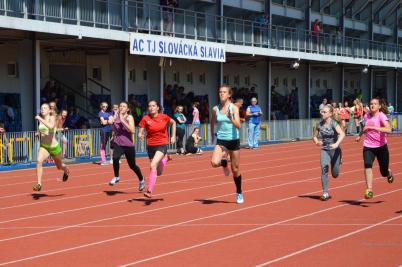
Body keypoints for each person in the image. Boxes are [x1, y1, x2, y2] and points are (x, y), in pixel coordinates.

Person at [210, 85, 244, 204]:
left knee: (235, 169)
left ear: (229, 94)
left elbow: (239, 126)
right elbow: (212, 121)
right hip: (221, 140)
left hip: (233, 140)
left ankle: (239, 191)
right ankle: (224, 162)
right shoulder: (215, 109)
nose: (221, 94)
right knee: (214, 163)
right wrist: (212, 134)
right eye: (220, 92)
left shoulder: (234, 108)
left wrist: (231, 118)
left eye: (224, 92)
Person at [355, 98, 394, 199]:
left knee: (383, 172)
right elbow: (365, 127)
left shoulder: (381, 116)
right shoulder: (366, 115)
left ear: (379, 106)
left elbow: (389, 129)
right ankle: (369, 189)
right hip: (368, 146)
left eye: (375, 104)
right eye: (371, 104)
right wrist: (359, 135)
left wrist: (374, 128)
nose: (372, 105)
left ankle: (388, 172)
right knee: (367, 165)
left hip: (381, 147)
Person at [138, 100, 176, 198]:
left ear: (157, 107)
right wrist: (140, 134)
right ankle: (165, 159)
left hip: (162, 144)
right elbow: (141, 129)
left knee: (152, 165)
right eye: (149, 106)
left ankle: (149, 190)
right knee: (158, 172)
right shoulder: (145, 118)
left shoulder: (164, 117)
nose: (151, 108)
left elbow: (173, 122)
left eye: (153, 106)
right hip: (150, 146)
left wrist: (173, 136)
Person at [107, 101, 145, 191]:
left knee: (132, 166)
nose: (121, 108)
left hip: (128, 145)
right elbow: (112, 126)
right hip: (118, 143)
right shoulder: (116, 117)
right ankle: (116, 177)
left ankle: (141, 179)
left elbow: (132, 130)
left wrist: (122, 120)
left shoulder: (129, 117)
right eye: (120, 106)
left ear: (127, 109)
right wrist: (111, 122)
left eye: (124, 106)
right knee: (115, 158)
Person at [33, 103, 70, 191]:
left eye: (45, 108)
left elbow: (50, 126)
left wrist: (39, 118)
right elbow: (43, 129)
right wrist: (38, 133)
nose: (42, 109)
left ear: (49, 110)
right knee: (38, 161)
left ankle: (66, 170)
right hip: (44, 146)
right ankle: (39, 184)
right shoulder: (41, 119)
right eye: (41, 108)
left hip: (54, 147)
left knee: (59, 167)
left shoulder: (51, 118)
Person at [313, 104, 345, 201]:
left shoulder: (333, 123)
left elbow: (342, 134)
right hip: (325, 150)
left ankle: (339, 161)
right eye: (321, 111)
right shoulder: (319, 125)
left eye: (324, 112)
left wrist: (336, 144)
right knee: (324, 169)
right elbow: (314, 136)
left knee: (335, 174)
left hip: (335, 150)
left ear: (330, 114)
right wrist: (317, 142)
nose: (321, 113)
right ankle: (325, 193)